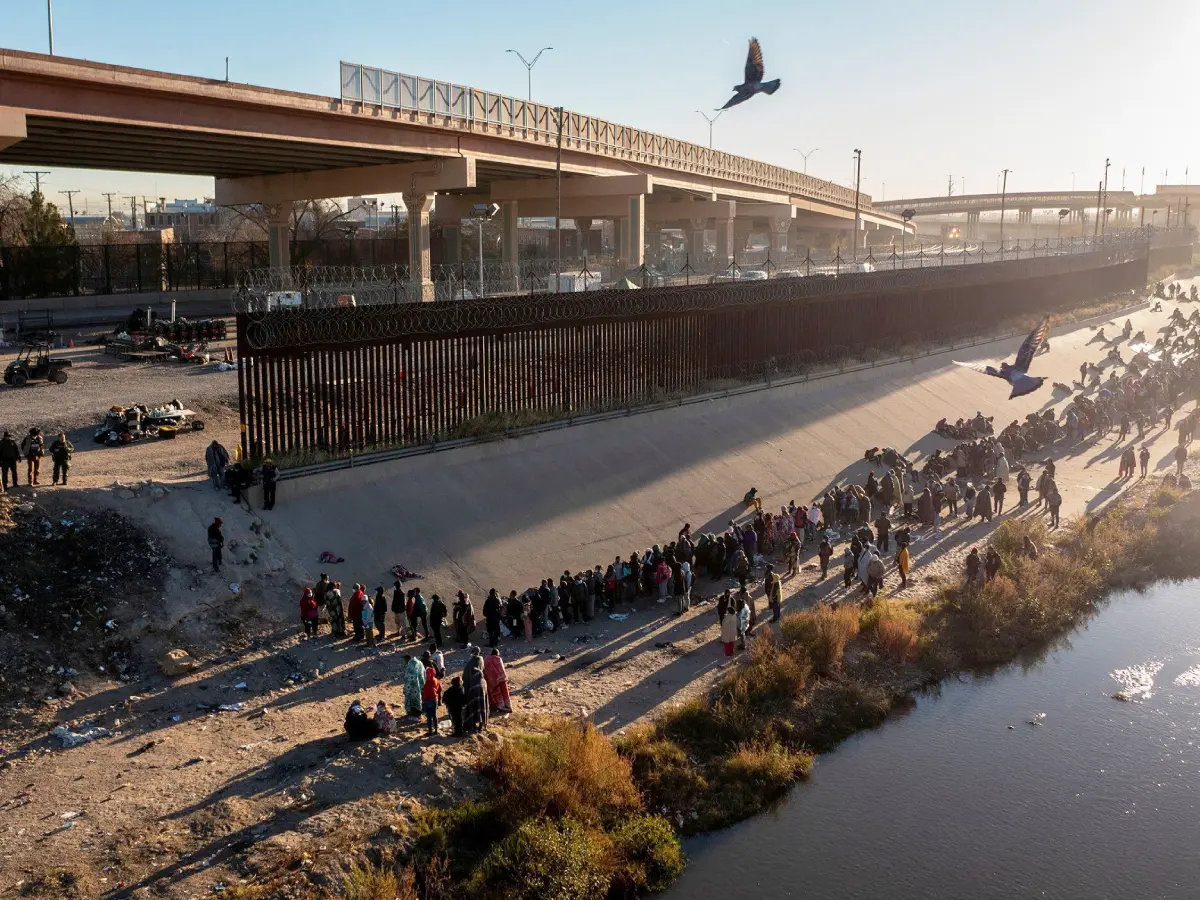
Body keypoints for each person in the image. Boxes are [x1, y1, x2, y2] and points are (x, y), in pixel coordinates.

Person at [463, 648, 488, 733]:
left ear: (472, 654)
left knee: (473, 707)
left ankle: (473, 726)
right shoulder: (481, 660)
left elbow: (465, 679)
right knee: (483, 705)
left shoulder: (469, 664)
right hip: (483, 685)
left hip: (473, 688)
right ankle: (481, 726)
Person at [483, 649, 512, 714]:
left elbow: (485, 670)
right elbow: (501, 669)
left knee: (494, 694)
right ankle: (506, 706)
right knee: (504, 693)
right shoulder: (499, 659)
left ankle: (497, 706)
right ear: (497, 654)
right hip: (502, 679)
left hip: (491, 680)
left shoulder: (487, 660)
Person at [422, 660, 441, 736]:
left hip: (427, 700)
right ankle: (436, 731)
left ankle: (430, 732)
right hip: (434, 699)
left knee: (429, 717)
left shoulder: (426, 682)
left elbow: (423, 692)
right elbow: (439, 689)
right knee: (434, 716)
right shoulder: (436, 680)